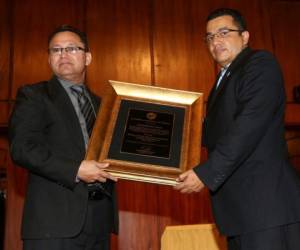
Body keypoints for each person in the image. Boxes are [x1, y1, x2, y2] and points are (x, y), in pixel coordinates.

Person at [174, 8, 300, 250]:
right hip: (241, 213)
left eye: (223, 32)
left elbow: (249, 124)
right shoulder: (223, 81)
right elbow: (215, 133)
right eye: (209, 37)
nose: (215, 41)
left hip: (266, 209)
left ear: (245, 36)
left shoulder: (259, 63)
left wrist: (205, 173)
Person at [9, 25, 118, 250]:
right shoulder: (34, 95)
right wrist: (76, 170)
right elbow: (22, 148)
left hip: (99, 222)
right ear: (49, 59)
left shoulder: (105, 106)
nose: (63, 54)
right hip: (53, 224)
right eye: (56, 50)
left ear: (87, 57)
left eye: (71, 48)